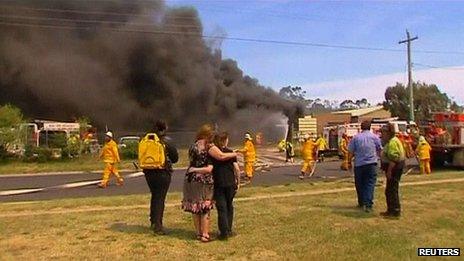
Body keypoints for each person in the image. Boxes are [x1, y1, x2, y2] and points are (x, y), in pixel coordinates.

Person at [182, 124, 236, 242]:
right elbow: (220, 157)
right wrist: (235, 153)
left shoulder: (192, 146)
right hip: (204, 180)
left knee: (195, 207)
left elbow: (191, 162)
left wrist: (193, 170)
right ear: (208, 135)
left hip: (190, 179)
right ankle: (205, 234)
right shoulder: (208, 147)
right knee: (205, 207)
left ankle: (198, 233)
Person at [142, 120, 179, 235]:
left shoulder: (146, 139)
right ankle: (158, 226)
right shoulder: (166, 141)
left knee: (154, 195)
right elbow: (175, 157)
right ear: (164, 129)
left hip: (148, 171)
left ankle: (153, 221)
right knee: (160, 198)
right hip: (162, 172)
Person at [348, 120, 382, 212]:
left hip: (359, 164)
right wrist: (382, 161)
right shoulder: (375, 137)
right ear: (370, 127)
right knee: (370, 184)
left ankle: (361, 202)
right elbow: (380, 150)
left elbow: (350, 151)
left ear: (361, 128)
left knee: (359, 184)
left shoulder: (355, 138)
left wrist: (348, 162)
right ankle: (368, 204)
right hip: (371, 164)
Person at [212, 132, 241, 240]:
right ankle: (228, 229)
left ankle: (223, 232)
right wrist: (238, 182)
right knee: (229, 206)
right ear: (225, 140)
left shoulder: (213, 153)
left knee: (221, 208)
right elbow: (237, 169)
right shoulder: (230, 152)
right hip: (230, 182)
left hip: (218, 182)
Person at [381, 123, 406, 218]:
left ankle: (395, 211)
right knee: (389, 190)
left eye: (383, 133)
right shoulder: (391, 141)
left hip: (394, 169)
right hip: (394, 168)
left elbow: (394, 159)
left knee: (392, 190)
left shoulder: (392, 142)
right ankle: (390, 210)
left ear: (388, 133)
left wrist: (389, 171)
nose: (382, 135)